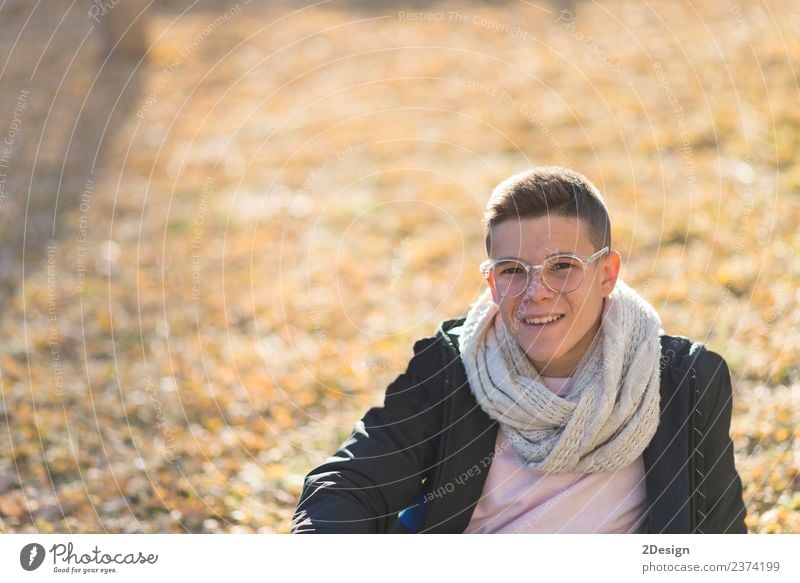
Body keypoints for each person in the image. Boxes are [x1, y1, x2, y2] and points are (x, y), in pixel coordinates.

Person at [291, 167, 747, 534]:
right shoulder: (452, 368)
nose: (537, 292)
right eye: (512, 271)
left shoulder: (682, 379)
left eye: (562, 266)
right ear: (491, 282)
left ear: (608, 273)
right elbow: (349, 484)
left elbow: (719, 532)